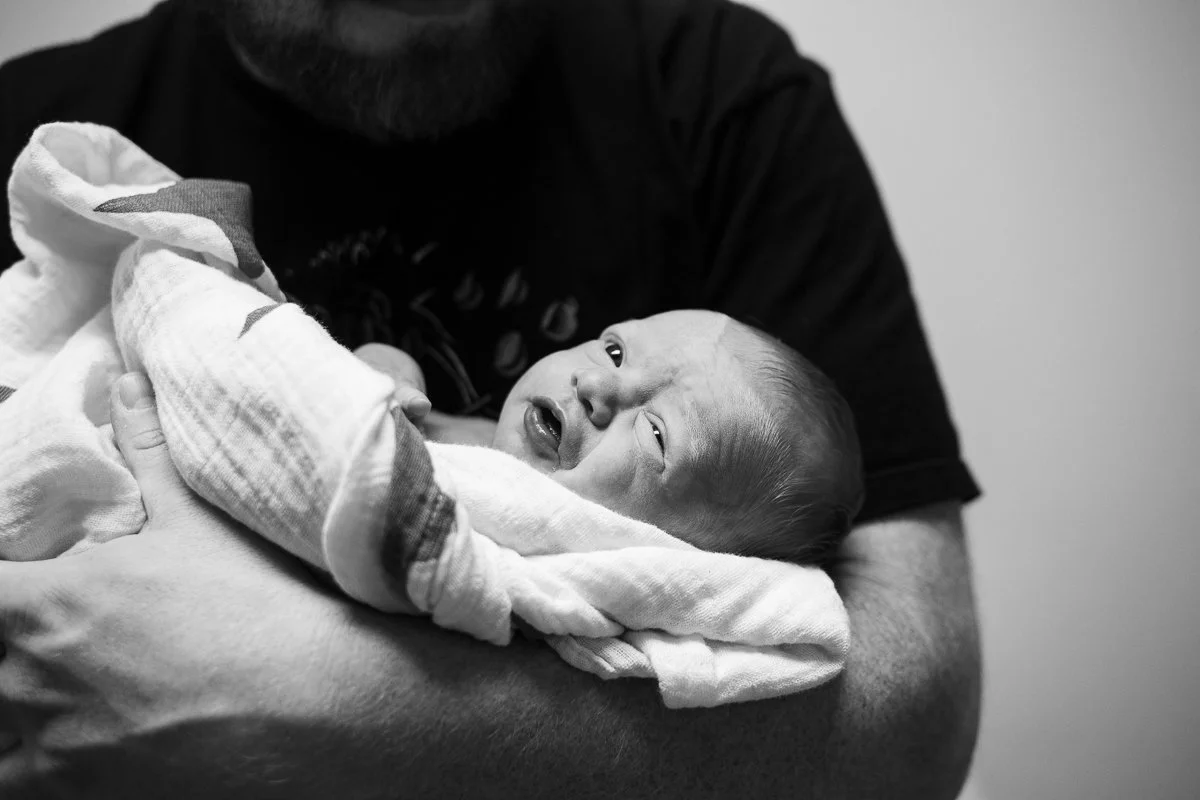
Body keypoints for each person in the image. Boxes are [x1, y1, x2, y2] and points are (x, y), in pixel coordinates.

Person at [0, 0, 982, 797]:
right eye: (610, 346)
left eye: (654, 427)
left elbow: (907, 709)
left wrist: (326, 696)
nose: (598, 381)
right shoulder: (39, 115)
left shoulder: (718, 93)